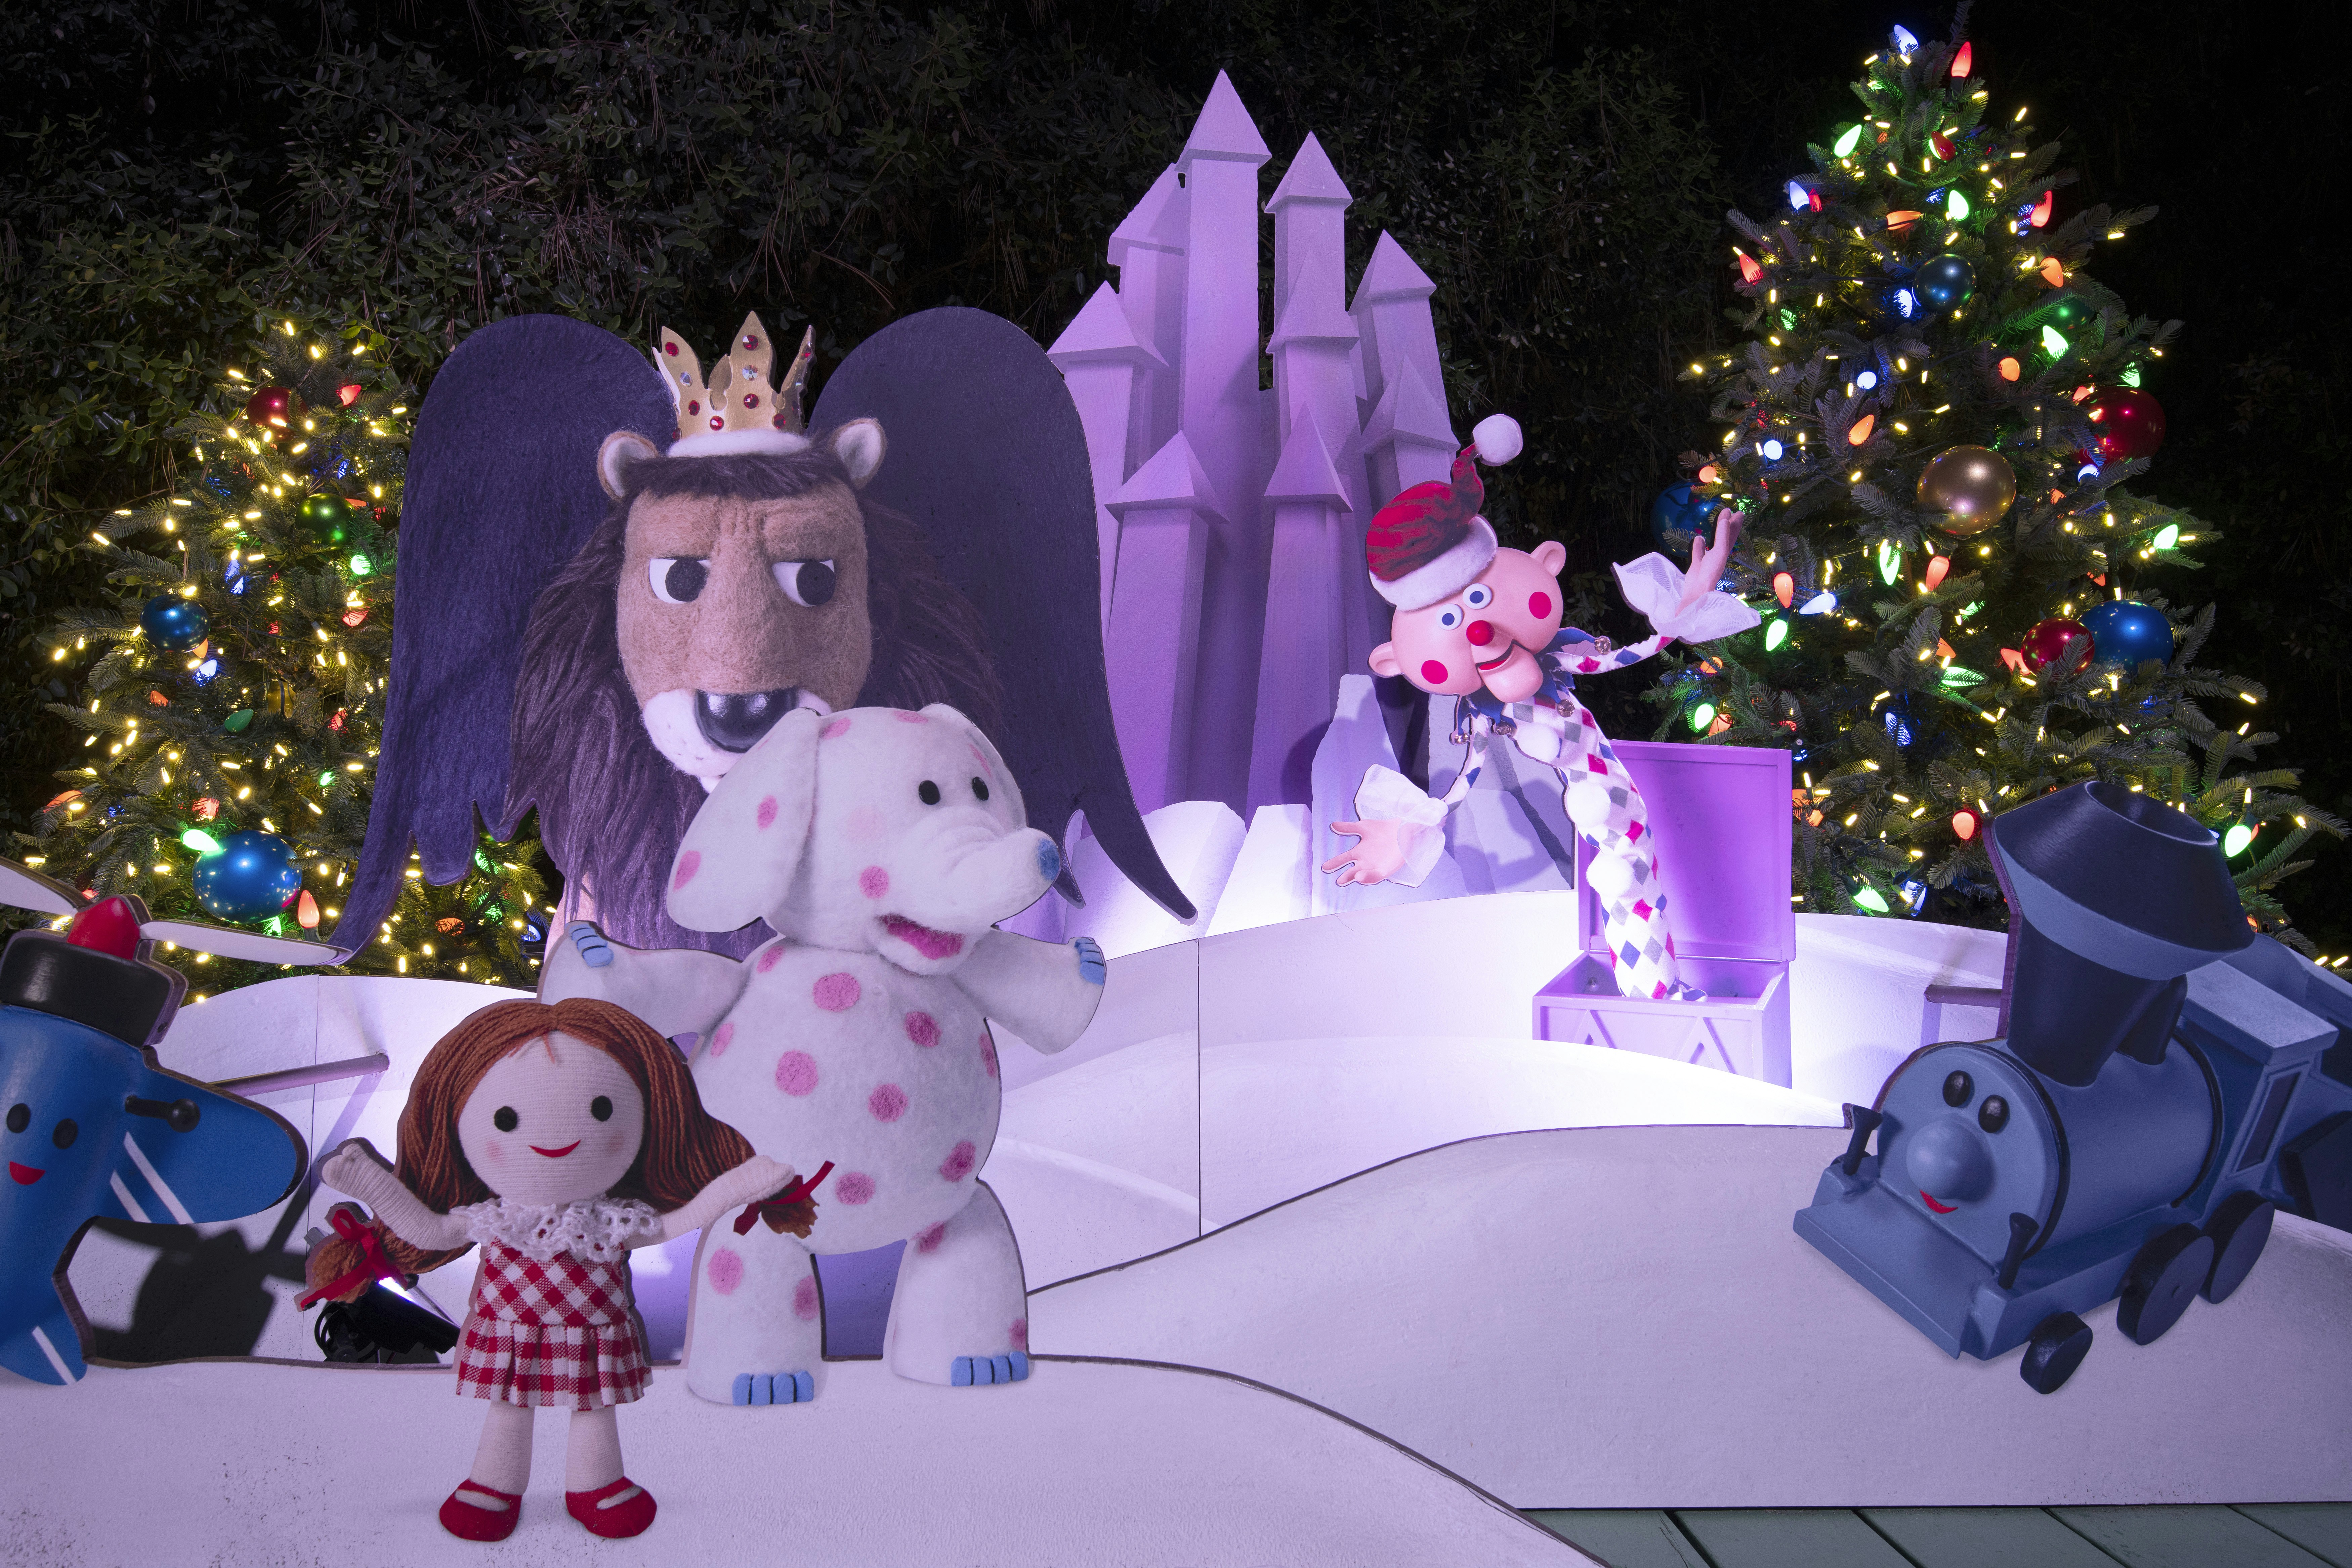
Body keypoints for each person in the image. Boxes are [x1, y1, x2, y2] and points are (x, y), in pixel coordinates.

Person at [310, 997, 801, 1541]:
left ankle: (597, 1485)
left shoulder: (612, 1220)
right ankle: (494, 1484)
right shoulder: (496, 1218)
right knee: (509, 1406)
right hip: (512, 1330)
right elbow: (429, 1231)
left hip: (591, 1330)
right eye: (505, 1120)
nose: (555, 1138)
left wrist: (736, 1186)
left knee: (594, 1408)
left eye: (602, 1110)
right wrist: (370, 1184)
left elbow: (674, 1223)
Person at [1321, 416, 1757, 1001]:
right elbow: (1465, 779)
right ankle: (1655, 996)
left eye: (1478, 598)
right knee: (1623, 872)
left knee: (1628, 864)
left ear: (1547, 562)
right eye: (1450, 618)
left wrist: (1681, 613)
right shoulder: (1484, 712)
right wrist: (1413, 826)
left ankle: (1656, 996)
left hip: (1608, 801)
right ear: (1393, 662)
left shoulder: (1556, 663)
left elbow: (1622, 656)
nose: (1477, 629)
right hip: (1599, 809)